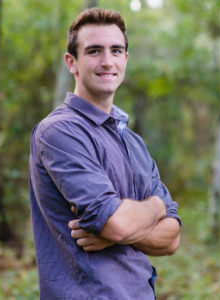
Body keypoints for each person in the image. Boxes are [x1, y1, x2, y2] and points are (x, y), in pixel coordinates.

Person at [29, 7, 181, 300]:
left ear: (125, 59)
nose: (107, 61)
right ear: (71, 62)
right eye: (95, 51)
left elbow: (172, 238)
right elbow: (117, 224)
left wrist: (118, 231)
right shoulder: (60, 132)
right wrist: (156, 208)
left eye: (116, 50)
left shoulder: (133, 142)